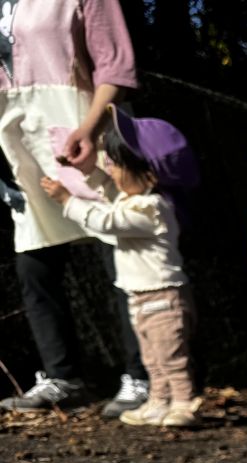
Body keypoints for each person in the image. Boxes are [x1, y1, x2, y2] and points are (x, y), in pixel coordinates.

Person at [0, 0, 151, 417]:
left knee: (123, 255)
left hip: (84, 131)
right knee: (34, 261)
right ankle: (61, 377)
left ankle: (144, 374)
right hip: (17, 144)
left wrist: (89, 128)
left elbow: (116, 66)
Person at [40, 105, 201, 428]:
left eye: (116, 164)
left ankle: (184, 403)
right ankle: (158, 401)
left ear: (150, 174)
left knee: (171, 357)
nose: (110, 169)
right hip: (141, 296)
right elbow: (110, 191)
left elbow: (107, 219)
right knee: (152, 358)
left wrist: (67, 201)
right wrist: (87, 172)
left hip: (163, 296)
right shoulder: (134, 198)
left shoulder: (151, 208)